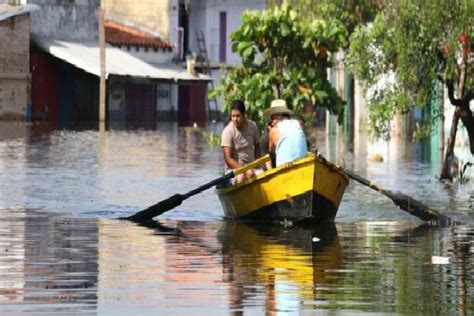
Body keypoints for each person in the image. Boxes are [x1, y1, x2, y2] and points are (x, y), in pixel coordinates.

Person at [221, 100, 261, 184]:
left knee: (262, 175)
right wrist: (244, 170)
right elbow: (228, 159)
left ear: (244, 115)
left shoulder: (252, 126)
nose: (235, 119)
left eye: (238, 116)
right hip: (233, 170)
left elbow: (257, 146)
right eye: (233, 116)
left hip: (250, 167)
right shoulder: (228, 131)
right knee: (241, 177)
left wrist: (256, 165)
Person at [265, 99, 308, 167]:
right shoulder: (299, 124)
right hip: (305, 165)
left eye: (273, 118)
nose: (272, 122)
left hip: (285, 168)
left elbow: (271, 152)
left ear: (279, 116)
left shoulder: (274, 130)